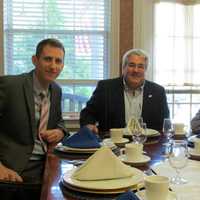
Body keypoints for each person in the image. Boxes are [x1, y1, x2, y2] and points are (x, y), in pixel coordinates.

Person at [0, 38, 68, 199]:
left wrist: (60, 131)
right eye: (47, 59)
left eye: (58, 61)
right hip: (13, 167)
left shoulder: (56, 90)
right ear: (34, 60)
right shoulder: (10, 85)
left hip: (46, 164)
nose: (53, 66)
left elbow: (60, 122)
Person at [80, 48, 169, 134]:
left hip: (148, 144)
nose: (136, 70)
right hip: (113, 144)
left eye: (141, 66)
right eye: (131, 65)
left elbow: (166, 122)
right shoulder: (105, 88)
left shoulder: (158, 92)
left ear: (145, 70)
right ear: (123, 68)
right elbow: (87, 113)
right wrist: (89, 125)